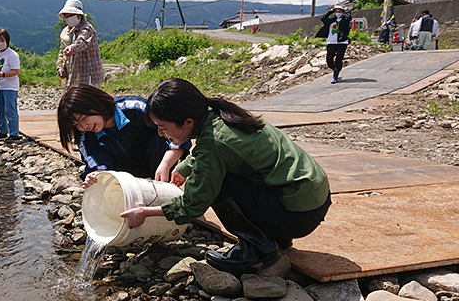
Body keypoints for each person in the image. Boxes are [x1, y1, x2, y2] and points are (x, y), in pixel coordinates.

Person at [119, 78, 331, 274]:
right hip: (312, 199)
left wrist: (145, 212)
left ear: (188, 122)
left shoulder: (213, 146)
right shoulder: (219, 114)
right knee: (226, 172)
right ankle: (276, 236)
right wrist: (185, 166)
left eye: (162, 128)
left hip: (298, 215)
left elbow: (193, 205)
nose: (160, 134)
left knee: (217, 183)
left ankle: (256, 248)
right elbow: (219, 150)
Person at [57, 85, 188, 186]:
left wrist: (165, 165)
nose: (84, 126)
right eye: (76, 125)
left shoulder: (136, 108)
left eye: (83, 118)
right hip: (129, 181)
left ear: (95, 104)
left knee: (160, 134)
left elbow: (178, 136)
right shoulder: (86, 137)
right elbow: (99, 164)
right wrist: (96, 176)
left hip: (162, 167)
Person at [58, 0, 103, 87]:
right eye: (67, 16)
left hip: (89, 76)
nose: (68, 19)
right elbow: (62, 50)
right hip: (77, 75)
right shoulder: (73, 30)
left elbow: (82, 41)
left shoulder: (87, 29)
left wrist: (72, 48)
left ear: (79, 15)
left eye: (71, 16)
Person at [0, 27, 21, 141]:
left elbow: (16, 71)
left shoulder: (12, 54)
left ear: (7, 40)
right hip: (0, 86)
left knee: (10, 110)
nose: (0, 43)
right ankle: (3, 131)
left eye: (2, 40)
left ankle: (14, 134)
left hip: (10, 86)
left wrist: (4, 75)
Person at [321, 2, 351, 83]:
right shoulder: (331, 20)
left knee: (339, 58)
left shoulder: (345, 20)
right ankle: (336, 69)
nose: (338, 13)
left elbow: (349, 17)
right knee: (329, 60)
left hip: (342, 42)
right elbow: (323, 18)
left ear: (343, 12)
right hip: (331, 41)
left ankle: (335, 75)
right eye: (336, 11)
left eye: (340, 11)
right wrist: (330, 11)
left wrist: (347, 10)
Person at [56, 24, 73, 90]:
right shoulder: (65, 31)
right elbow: (62, 51)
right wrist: (59, 67)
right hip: (68, 72)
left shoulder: (85, 30)